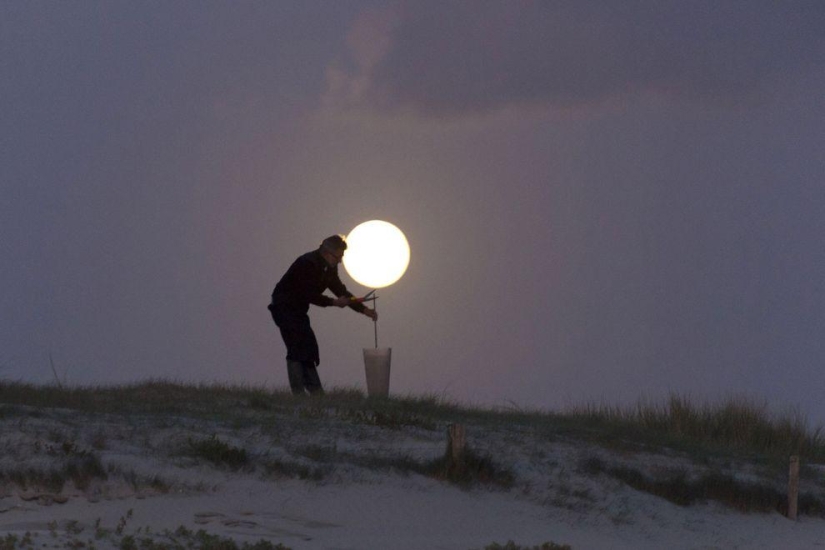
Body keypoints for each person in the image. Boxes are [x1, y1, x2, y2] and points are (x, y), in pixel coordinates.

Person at [268, 234, 377, 395]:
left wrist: (364, 310)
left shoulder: (330, 268)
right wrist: (333, 302)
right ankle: (300, 394)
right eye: (339, 256)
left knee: (309, 346)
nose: (340, 261)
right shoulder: (307, 263)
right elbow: (308, 294)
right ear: (327, 253)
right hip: (283, 307)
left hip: (298, 310)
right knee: (296, 346)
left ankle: (316, 393)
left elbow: (341, 291)